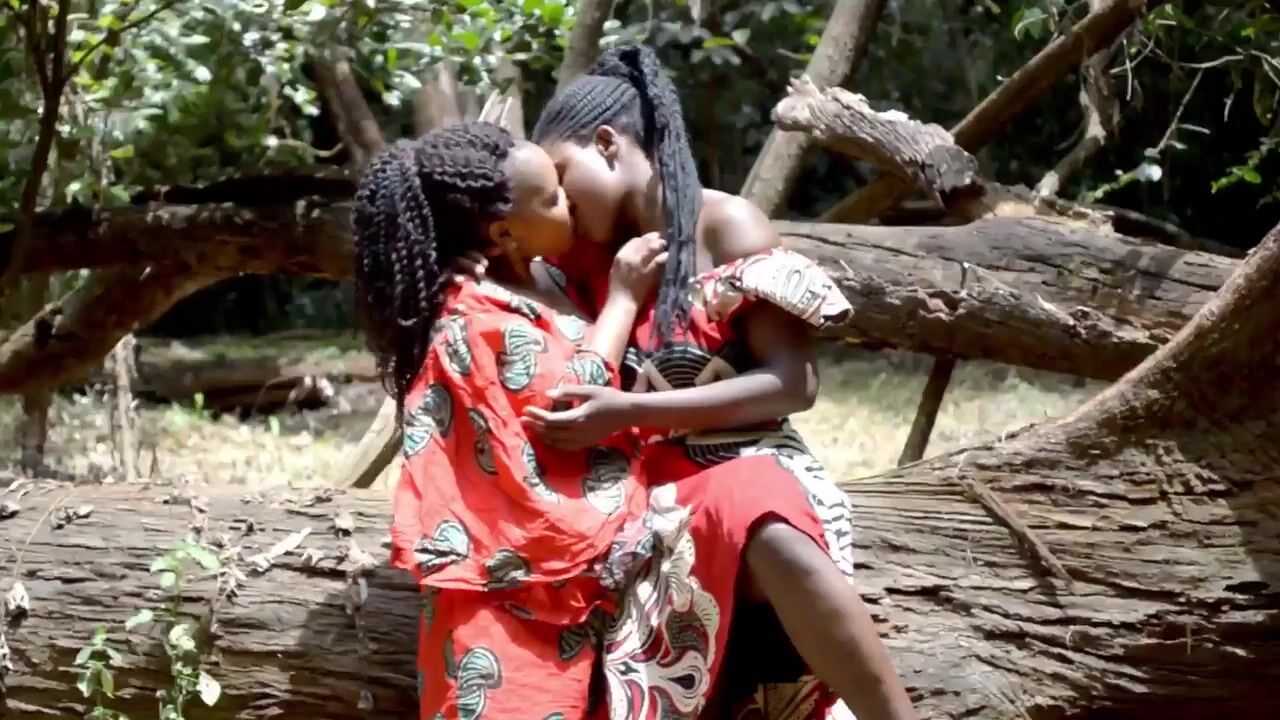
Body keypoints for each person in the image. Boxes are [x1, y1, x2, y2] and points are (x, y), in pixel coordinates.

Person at [493, 44, 914, 719]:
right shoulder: (584, 264)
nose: (561, 203)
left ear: (607, 144)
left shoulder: (726, 225)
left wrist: (631, 410)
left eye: (563, 177)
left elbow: (793, 383)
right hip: (639, 499)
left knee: (755, 504)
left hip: (750, 464)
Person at [353, 120, 670, 719]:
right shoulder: (474, 313)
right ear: (503, 233)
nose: (568, 200)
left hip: (572, 582)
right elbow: (571, 406)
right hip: (505, 603)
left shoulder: (547, 275)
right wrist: (625, 298)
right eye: (551, 198)